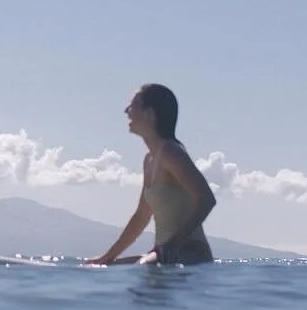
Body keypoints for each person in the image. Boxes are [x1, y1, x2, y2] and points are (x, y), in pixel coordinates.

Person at [87, 84, 216, 266]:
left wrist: (173, 244)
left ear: (150, 114)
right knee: (102, 266)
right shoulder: (149, 160)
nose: (127, 111)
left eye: (133, 106)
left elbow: (206, 199)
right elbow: (141, 216)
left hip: (190, 253)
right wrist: (106, 258)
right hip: (165, 253)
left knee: (145, 265)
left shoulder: (172, 152)